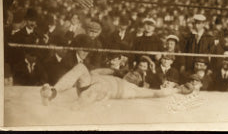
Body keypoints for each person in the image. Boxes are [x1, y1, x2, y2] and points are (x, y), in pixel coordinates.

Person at [40, 59, 197, 108]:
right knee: (81, 67)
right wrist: (110, 70)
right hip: (88, 84)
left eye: (137, 75)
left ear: (140, 82)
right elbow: (95, 72)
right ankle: (53, 91)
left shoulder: (135, 89)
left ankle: (64, 110)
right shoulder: (118, 76)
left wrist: (179, 90)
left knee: (98, 89)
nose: (134, 75)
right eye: (133, 72)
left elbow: (157, 93)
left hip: (99, 92)